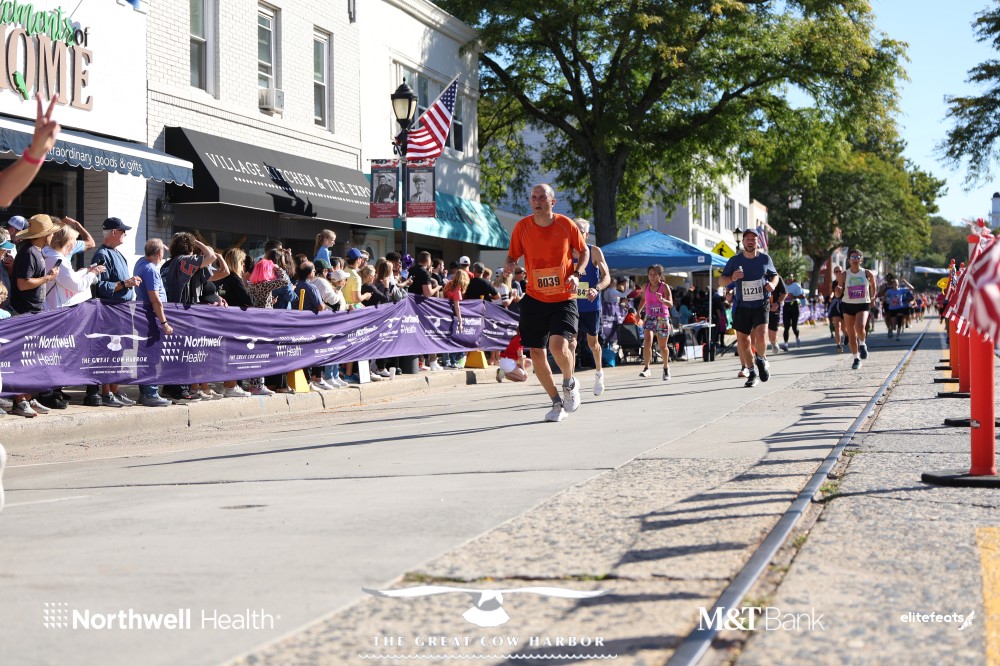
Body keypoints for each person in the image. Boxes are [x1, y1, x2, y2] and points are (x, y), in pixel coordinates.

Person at [504, 184, 589, 422]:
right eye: (534, 197)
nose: (537, 201)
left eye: (542, 197)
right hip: (534, 297)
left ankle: (569, 383)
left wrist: (577, 274)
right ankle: (556, 403)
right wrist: (509, 264)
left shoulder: (566, 224)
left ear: (553, 202)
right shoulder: (522, 227)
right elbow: (512, 255)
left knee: (558, 347)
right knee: (536, 352)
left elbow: (583, 252)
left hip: (563, 298)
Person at [719, 228, 779, 388]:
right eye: (748, 239)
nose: (750, 242)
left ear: (758, 242)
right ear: (743, 242)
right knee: (743, 341)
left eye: (753, 239)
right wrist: (732, 278)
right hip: (742, 306)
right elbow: (721, 280)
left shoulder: (765, 259)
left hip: (761, 304)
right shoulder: (734, 260)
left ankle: (761, 359)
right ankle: (751, 373)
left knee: (761, 335)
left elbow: (775, 275)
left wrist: (772, 285)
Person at [567, 218, 611, 395]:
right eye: (573, 230)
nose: (576, 234)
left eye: (579, 231)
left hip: (591, 306)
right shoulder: (565, 251)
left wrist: (596, 288)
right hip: (571, 305)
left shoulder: (595, 251)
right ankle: (570, 382)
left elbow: (607, 277)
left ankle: (599, 374)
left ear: (586, 234)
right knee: (571, 343)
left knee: (593, 344)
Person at [132, 239, 175, 406]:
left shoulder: (141, 262)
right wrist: (164, 322)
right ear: (158, 253)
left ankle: (147, 392)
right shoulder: (150, 269)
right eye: (162, 252)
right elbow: (155, 299)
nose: (163, 255)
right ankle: (150, 393)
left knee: (146, 355)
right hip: (152, 317)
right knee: (152, 356)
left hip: (145, 315)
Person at [835, 249, 877, 370]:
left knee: (860, 327)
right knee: (851, 335)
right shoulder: (844, 274)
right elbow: (838, 292)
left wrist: (873, 297)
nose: (855, 260)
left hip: (863, 304)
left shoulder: (867, 273)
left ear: (861, 260)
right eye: (852, 258)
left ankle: (862, 344)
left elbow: (873, 285)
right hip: (848, 305)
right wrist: (837, 291)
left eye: (857, 257)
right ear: (848, 260)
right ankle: (856, 359)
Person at [636, 264, 674, 381]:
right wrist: (638, 312)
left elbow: (670, 304)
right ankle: (646, 368)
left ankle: (666, 368)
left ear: (660, 276)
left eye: (655, 274)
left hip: (662, 318)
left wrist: (662, 299)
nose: (652, 277)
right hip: (649, 317)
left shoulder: (664, 287)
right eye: (650, 274)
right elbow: (643, 299)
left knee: (663, 346)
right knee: (647, 341)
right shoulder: (645, 286)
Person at [781, 275, 805, 350]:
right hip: (786, 306)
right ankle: (785, 344)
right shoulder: (784, 286)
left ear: (793, 279)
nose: (788, 279)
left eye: (790, 278)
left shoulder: (796, 285)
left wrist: (794, 296)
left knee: (794, 326)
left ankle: (797, 337)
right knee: (786, 326)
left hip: (794, 305)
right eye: (787, 278)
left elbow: (803, 296)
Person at [766, 274, 787, 354]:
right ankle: (759, 354)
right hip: (760, 308)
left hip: (773, 309)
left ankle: (774, 342)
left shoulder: (776, 277)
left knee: (772, 336)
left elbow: (785, 292)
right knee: (760, 332)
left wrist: (777, 303)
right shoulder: (757, 274)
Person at [828, 266, 846, 352]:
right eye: (836, 271)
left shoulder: (846, 282)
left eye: (840, 271)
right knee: (837, 326)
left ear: (842, 272)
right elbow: (831, 292)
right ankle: (838, 345)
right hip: (836, 304)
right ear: (834, 273)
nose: (838, 273)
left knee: (844, 328)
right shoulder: (833, 283)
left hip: (845, 304)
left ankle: (847, 335)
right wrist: (831, 297)